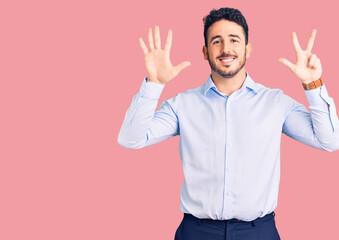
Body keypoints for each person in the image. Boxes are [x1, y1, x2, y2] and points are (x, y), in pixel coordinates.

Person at [118, 7, 339, 240]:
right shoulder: (182, 105)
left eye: (234, 40)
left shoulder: (276, 102)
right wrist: (154, 83)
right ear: (205, 51)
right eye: (216, 41)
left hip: (259, 232)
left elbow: (330, 141)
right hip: (197, 232)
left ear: (248, 49)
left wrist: (313, 84)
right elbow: (130, 139)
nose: (226, 49)